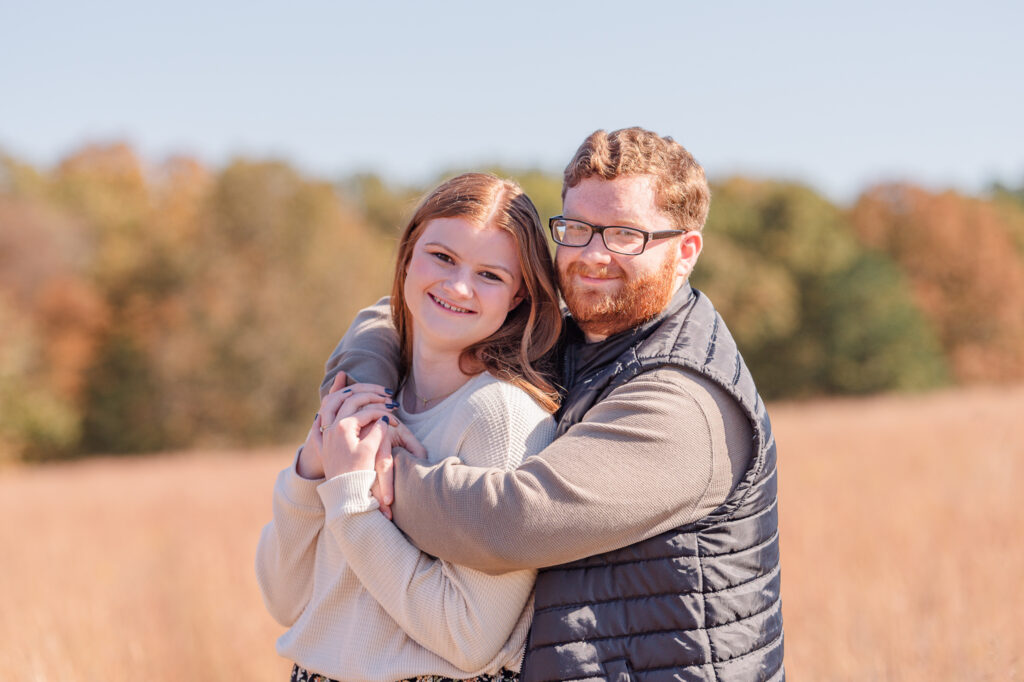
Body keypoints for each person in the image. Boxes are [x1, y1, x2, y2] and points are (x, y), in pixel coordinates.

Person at [324, 128, 785, 681]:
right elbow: (392, 314)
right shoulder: (575, 338)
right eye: (578, 229)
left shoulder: (684, 398)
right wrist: (363, 397)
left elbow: (514, 522)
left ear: (685, 251)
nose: (593, 255)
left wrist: (366, 465)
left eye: (624, 235)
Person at [255, 172, 565, 682]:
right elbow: (286, 601)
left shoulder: (502, 416)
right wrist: (311, 470)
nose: (458, 286)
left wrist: (353, 502)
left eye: (490, 275)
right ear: (407, 257)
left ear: (517, 297)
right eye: (442, 257)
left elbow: (471, 638)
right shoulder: (368, 401)